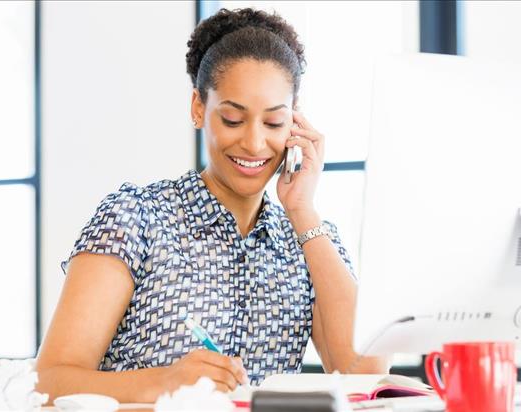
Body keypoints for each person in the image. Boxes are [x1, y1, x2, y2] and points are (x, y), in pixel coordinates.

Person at [35, 7, 387, 405]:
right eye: (234, 119)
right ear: (198, 108)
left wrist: (302, 209)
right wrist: (165, 382)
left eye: (273, 123)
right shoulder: (136, 219)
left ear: (295, 123)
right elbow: (48, 381)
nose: (254, 144)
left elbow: (369, 376)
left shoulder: (309, 239)